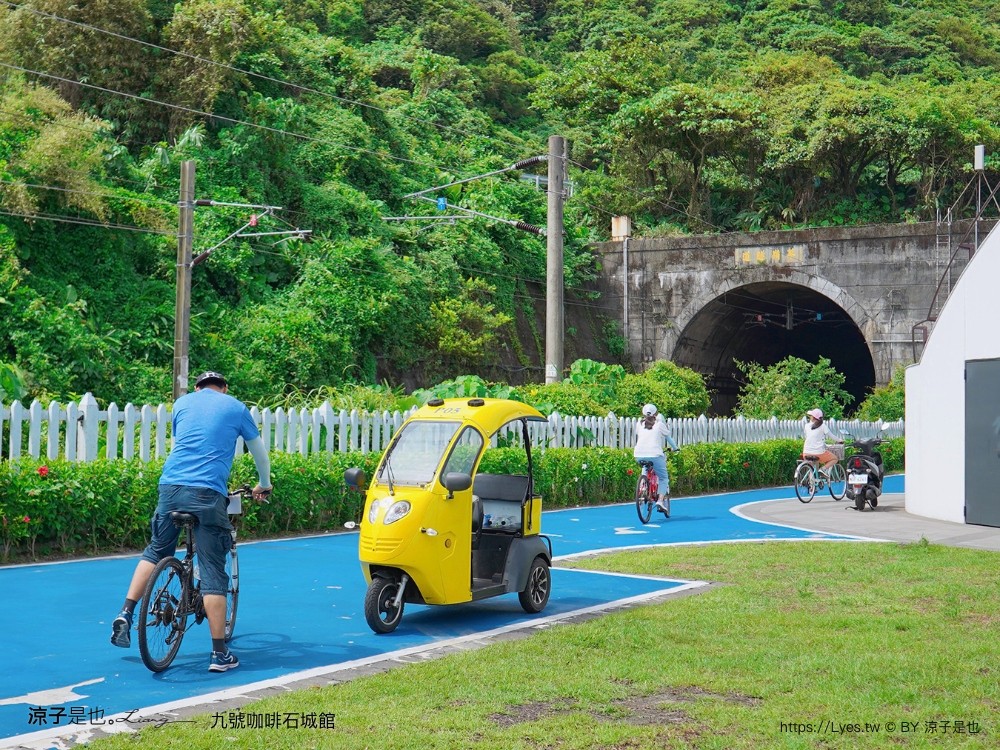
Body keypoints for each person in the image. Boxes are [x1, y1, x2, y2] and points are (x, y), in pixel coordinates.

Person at [110, 371, 272, 673]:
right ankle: (219, 654)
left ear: (197, 388)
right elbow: (259, 453)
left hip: (170, 487)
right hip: (207, 493)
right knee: (213, 570)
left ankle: (127, 612)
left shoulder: (183, 404)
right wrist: (264, 483)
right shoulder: (236, 407)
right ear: (223, 389)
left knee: (156, 551)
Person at [633, 403, 679, 511]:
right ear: (656, 414)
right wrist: (676, 448)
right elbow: (669, 438)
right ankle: (660, 501)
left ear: (643, 413)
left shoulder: (639, 424)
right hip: (655, 454)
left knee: (645, 466)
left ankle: (643, 487)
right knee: (663, 478)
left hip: (638, 454)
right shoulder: (659, 424)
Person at [802, 407, 843, 475]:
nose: (810, 417)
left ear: (813, 417)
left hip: (806, 452)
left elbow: (809, 437)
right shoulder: (823, 426)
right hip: (819, 453)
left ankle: (812, 483)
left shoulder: (806, 426)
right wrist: (840, 440)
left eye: (811, 416)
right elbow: (832, 436)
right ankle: (822, 469)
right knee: (835, 459)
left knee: (812, 467)